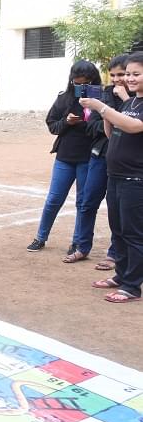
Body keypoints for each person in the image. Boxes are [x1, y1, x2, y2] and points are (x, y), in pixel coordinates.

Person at [83, 51, 143, 303]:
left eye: (136, 74)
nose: (129, 78)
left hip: (135, 179)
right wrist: (106, 113)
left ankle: (132, 286)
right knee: (118, 230)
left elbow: (134, 126)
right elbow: (113, 132)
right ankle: (122, 274)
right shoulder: (131, 103)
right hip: (116, 175)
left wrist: (102, 107)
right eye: (128, 74)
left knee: (134, 234)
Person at [27, 60, 99, 253]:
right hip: (65, 157)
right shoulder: (64, 98)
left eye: (86, 83)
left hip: (88, 157)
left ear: (93, 81)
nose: (81, 87)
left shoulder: (100, 99)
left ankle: (77, 242)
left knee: (82, 202)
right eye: (77, 83)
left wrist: (88, 119)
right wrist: (67, 122)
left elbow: (103, 128)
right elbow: (52, 125)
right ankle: (40, 237)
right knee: (54, 199)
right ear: (71, 80)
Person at [65, 56, 127, 267]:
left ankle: (114, 253)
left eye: (122, 74)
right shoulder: (103, 94)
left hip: (125, 160)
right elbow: (90, 126)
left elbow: (134, 126)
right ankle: (82, 247)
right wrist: (114, 122)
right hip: (99, 155)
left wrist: (111, 117)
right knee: (87, 201)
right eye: (114, 75)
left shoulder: (136, 99)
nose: (117, 79)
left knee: (117, 208)